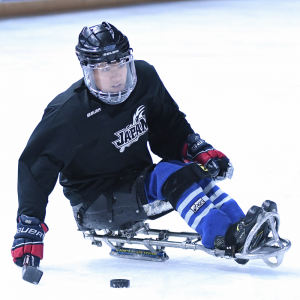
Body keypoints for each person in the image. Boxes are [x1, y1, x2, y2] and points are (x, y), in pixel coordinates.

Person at [11, 22, 271, 269]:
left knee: (188, 170)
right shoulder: (69, 114)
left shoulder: (144, 79)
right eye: (105, 69)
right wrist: (30, 223)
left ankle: (240, 226)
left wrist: (194, 149)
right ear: (88, 71)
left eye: (120, 66)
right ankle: (222, 235)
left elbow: (167, 125)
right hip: (95, 201)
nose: (115, 77)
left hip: (136, 181)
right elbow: (37, 165)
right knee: (169, 174)